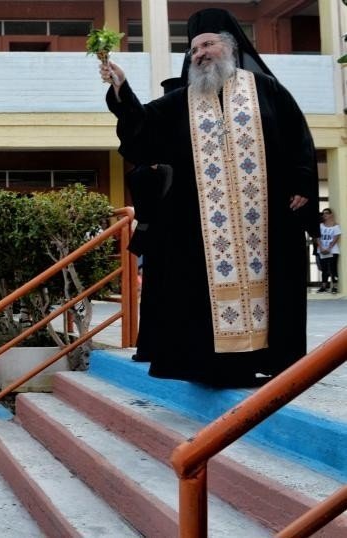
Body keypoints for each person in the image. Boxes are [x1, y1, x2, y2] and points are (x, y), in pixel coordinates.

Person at [100, 8, 319, 387]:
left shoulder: (265, 89)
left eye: (208, 44)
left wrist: (302, 182)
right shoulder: (181, 100)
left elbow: (297, 136)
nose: (199, 53)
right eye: (194, 48)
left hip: (263, 222)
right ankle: (212, 367)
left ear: (229, 48)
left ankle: (266, 359)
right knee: (199, 299)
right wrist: (122, 89)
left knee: (272, 289)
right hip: (203, 230)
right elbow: (141, 128)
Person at [317, 208, 340, 293]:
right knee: (324, 269)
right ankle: (323, 286)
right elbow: (317, 237)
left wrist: (329, 248)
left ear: (331, 214)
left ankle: (334, 287)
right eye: (323, 213)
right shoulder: (320, 225)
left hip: (333, 250)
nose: (324, 215)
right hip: (322, 250)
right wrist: (321, 248)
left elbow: (336, 238)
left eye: (326, 213)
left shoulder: (336, 226)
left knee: (333, 268)